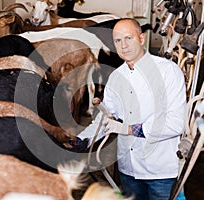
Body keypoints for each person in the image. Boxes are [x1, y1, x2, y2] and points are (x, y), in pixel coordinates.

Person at [71, 18, 187, 200]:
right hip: (128, 170)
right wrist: (80, 139)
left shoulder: (168, 72)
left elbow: (176, 123)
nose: (123, 46)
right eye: (118, 41)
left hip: (161, 173)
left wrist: (129, 129)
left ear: (141, 38)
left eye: (128, 38)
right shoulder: (117, 76)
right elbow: (105, 117)